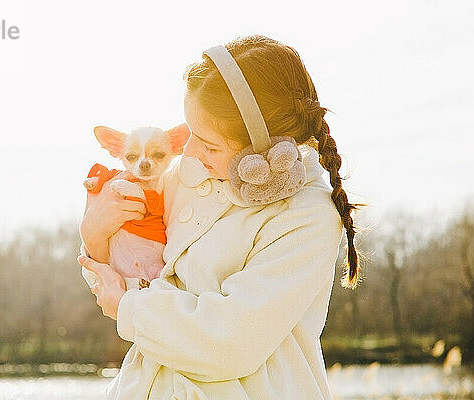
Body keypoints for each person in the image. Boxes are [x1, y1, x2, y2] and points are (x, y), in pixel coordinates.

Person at [78, 34, 363, 399]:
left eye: (208, 143)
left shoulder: (307, 215)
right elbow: (122, 271)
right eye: (191, 134)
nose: (190, 151)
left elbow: (232, 342)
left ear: (264, 153)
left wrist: (129, 307)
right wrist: (94, 234)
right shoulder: (188, 177)